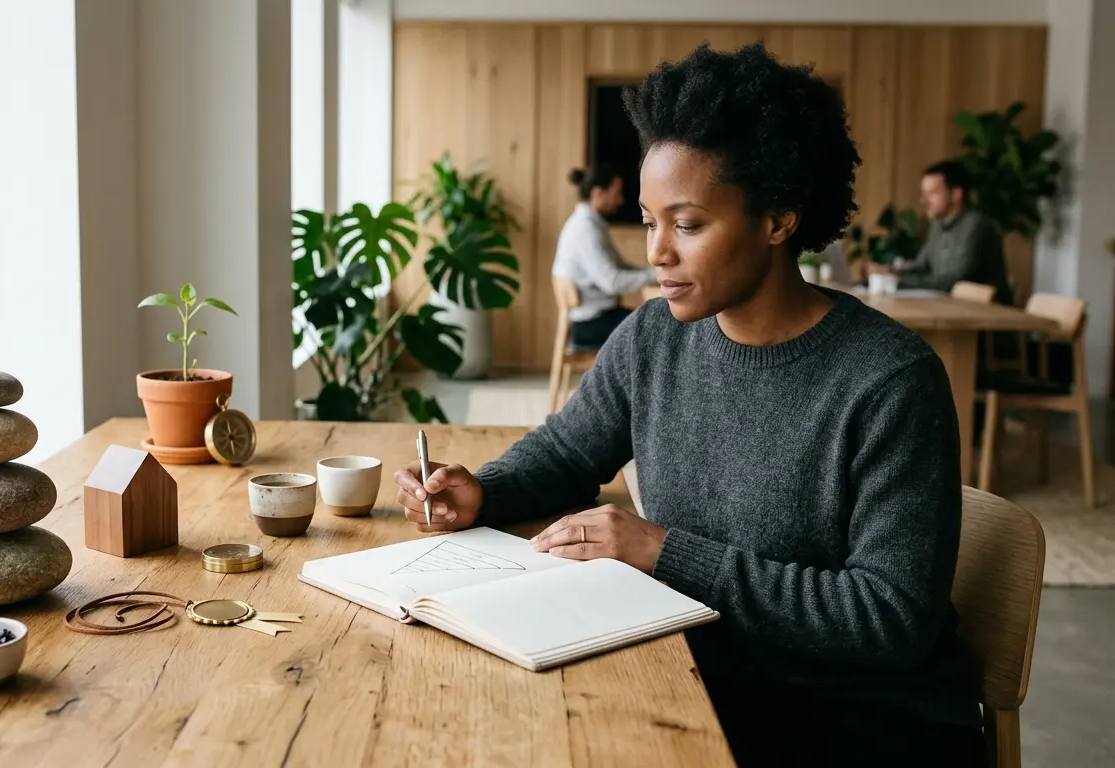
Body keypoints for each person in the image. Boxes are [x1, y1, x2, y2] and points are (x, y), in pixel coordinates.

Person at [394, 43, 982, 768]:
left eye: (689, 225)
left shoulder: (890, 380)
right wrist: (485, 490)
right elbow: (568, 451)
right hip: (695, 673)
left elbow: (889, 619)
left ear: (778, 220)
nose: (657, 253)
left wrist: (663, 552)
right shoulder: (652, 338)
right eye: (648, 221)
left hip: (856, 718)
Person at [872, 160, 1013, 304]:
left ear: (956, 194)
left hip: (987, 316)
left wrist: (898, 281)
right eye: (923, 194)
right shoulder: (937, 224)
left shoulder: (976, 225)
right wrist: (889, 271)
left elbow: (952, 280)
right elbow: (922, 265)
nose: (923, 201)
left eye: (932, 193)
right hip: (952, 308)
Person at [552, 163, 656, 348]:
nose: (621, 200)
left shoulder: (590, 224)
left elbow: (621, 266)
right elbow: (612, 282)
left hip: (598, 318)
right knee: (656, 330)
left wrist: (654, 272)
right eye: (616, 193)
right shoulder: (585, 229)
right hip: (592, 324)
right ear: (598, 193)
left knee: (653, 322)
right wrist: (654, 275)